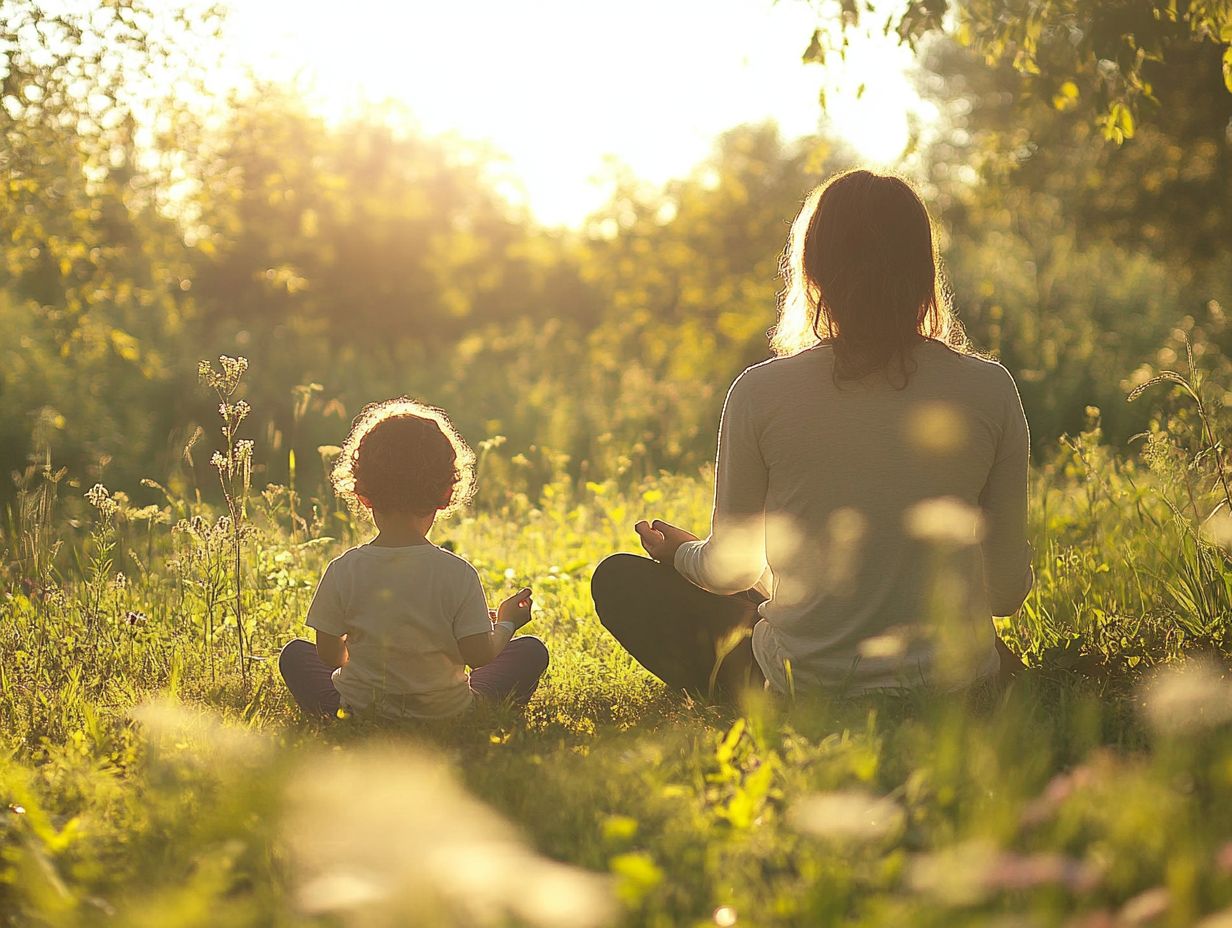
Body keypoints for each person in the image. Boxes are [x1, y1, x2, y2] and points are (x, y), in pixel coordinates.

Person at [591, 169, 1032, 700]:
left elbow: (731, 569)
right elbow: (1005, 592)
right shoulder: (990, 387)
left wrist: (682, 555)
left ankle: (744, 685)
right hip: (953, 685)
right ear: (922, 270)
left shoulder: (760, 391)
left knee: (619, 579)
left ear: (813, 270)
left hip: (806, 686)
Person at [279, 398, 549, 719]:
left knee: (296, 654)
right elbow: (479, 654)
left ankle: (348, 712)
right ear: (447, 494)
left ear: (362, 494)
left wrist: (377, 647)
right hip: (448, 713)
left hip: (359, 708)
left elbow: (329, 655)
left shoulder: (343, 570)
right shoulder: (457, 573)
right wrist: (506, 622)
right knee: (529, 651)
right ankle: (470, 706)